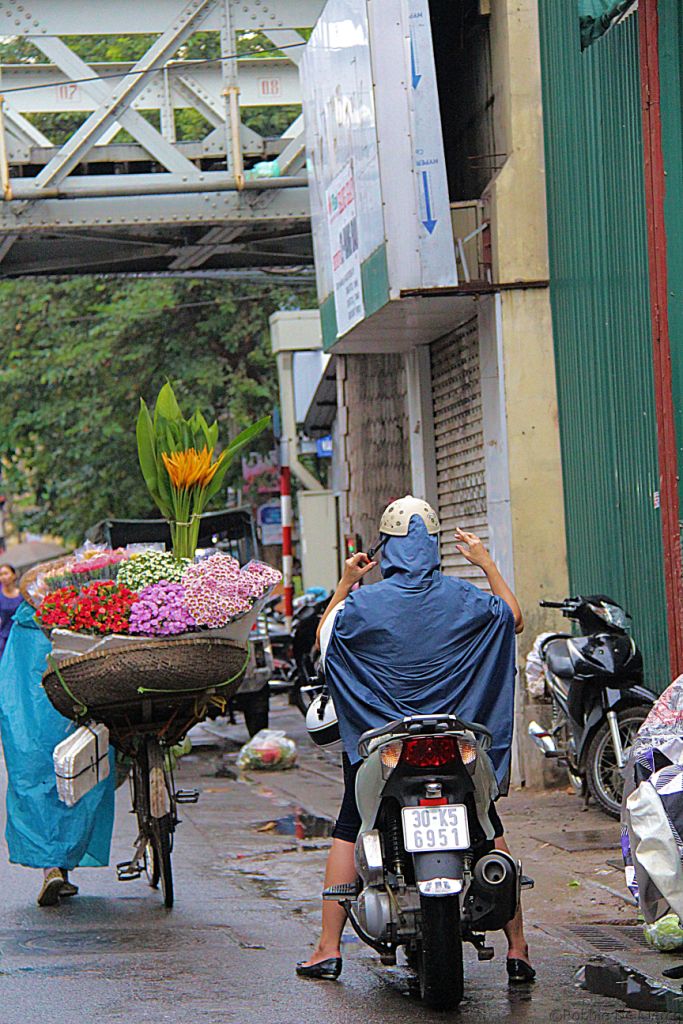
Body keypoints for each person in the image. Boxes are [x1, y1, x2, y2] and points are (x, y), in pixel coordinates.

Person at [296, 496, 535, 984]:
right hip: (456, 741)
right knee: (486, 821)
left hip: (384, 744)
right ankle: (518, 948)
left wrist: (345, 583)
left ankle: (327, 948)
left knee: (350, 823)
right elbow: (513, 618)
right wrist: (486, 563)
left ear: (388, 548)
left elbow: (325, 639)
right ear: (432, 548)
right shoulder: (466, 599)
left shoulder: (362, 604)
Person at [0, 600, 116, 906]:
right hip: (76, 717)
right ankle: (60, 865)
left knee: (36, 781)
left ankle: (52, 868)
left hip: (30, 726)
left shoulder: (23, 631)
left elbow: (12, 689)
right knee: (81, 777)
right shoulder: (79, 620)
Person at [0, 564, 22, 659]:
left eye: (6, 573)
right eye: (1, 575)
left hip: (22, 636)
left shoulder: (22, 594)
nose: (3, 577)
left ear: (14, 575)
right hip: (5, 639)